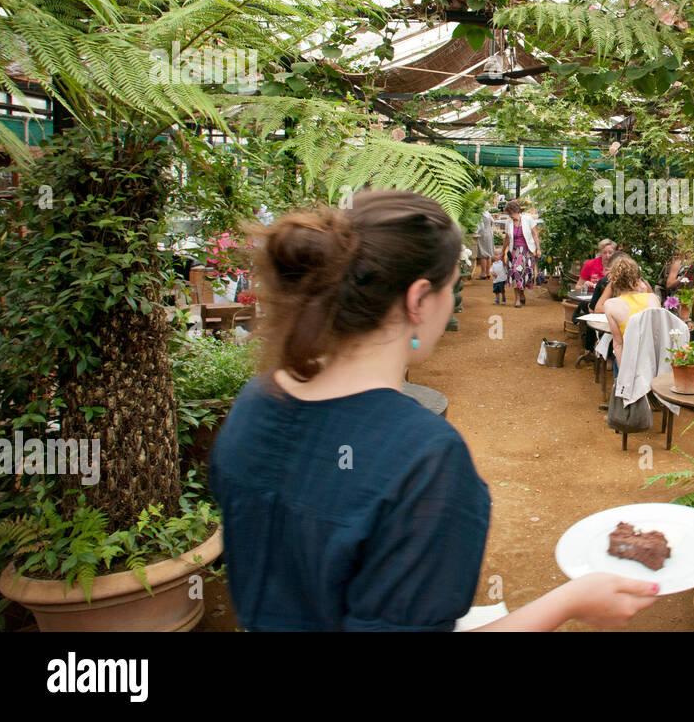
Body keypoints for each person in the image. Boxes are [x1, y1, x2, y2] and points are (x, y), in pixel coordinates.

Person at [208, 191, 658, 630]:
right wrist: (569, 601)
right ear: (419, 300)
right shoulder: (423, 457)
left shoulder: (253, 403)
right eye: (452, 286)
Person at [602, 257, 661, 362]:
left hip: (632, 359)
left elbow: (618, 344)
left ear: (613, 280)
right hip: (655, 357)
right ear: (637, 277)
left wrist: (624, 374)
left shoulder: (610, 305)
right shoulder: (652, 298)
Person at [502, 199, 541, 307]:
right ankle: (517, 298)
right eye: (509, 214)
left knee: (525, 274)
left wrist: (538, 249)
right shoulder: (508, 222)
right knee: (515, 273)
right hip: (514, 251)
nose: (510, 216)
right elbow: (506, 238)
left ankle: (522, 293)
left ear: (516, 211)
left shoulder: (528, 219)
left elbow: (535, 235)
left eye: (511, 213)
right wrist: (502, 251)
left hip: (527, 251)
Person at [473, 200, 497, 280]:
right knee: (488, 254)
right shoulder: (487, 213)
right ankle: (488, 272)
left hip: (483, 234)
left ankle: (483, 274)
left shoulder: (480, 214)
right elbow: (493, 221)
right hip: (489, 233)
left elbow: (480, 226)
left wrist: (475, 232)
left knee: (483, 254)